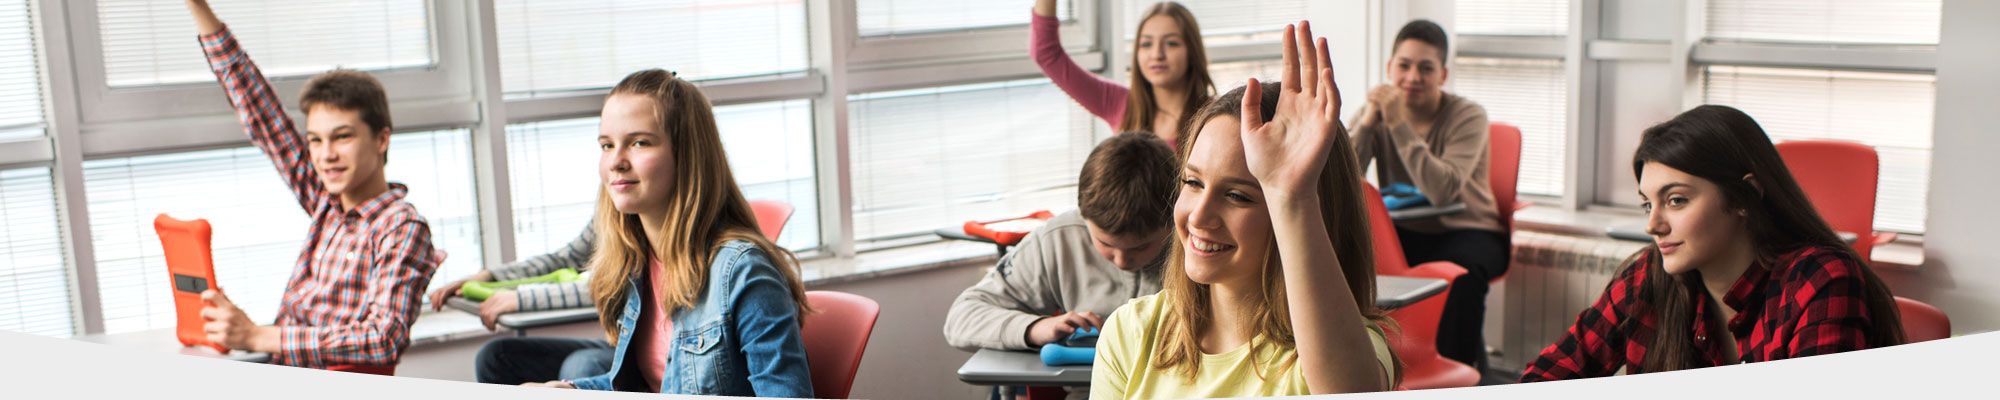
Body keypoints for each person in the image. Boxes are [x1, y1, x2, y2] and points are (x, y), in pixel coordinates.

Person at [1091, 22, 1400, 398]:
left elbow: (1349, 392)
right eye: (1193, 183)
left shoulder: (1346, 351)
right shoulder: (1131, 331)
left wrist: (1293, 195)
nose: (1199, 217)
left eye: (1238, 196)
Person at [1520, 105, 1907, 381]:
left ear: (1744, 197)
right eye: (1646, 204)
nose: (1653, 225)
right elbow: (1551, 375)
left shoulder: (1819, 281)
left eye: (1676, 200)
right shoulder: (1647, 275)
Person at [184, 0, 444, 373]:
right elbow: (259, 110)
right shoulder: (326, 201)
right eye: (315, 141)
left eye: (342, 137)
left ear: (382, 139)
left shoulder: (401, 228)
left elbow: (383, 338)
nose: (326, 156)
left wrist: (259, 336)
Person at [520, 69, 813, 397]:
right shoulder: (635, 262)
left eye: (639, 142)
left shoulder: (743, 272)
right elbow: (644, 384)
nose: (616, 161)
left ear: (687, 155)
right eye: (607, 145)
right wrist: (569, 388)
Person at [941, 131, 1177, 398]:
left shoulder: (1197, 243)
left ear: (1174, 221)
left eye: (1140, 247)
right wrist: (1034, 328)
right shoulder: (1057, 238)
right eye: (1106, 244)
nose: (1122, 261)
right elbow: (962, 317)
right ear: (1083, 216)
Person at [1348, 19, 1505, 370]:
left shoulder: (1468, 115)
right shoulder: (1377, 112)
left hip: (1469, 230)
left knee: (1461, 279)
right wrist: (1368, 122)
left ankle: (1456, 374)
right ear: (1390, 68)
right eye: (1404, 66)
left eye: (1426, 68)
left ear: (1443, 75)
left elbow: (1441, 189)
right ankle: (1373, 370)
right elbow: (1344, 177)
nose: (1413, 77)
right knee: (1345, 264)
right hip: (1404, 232)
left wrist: (1398, 123)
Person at [426, 222, 613, 384]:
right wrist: (490, 276)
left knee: (582, 365)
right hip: (613, 346)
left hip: (634, 352)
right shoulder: (609, 203)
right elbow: (565, 260)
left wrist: (523, 298)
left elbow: (618, 283)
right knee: (496, 356)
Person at [1032, 0, 1215, 146]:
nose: (1157, 54)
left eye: (1171, 43)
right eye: (1146, 44)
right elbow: (1046, 54)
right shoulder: (1120, 104)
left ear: (1192, 52)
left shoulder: (1214, 118)